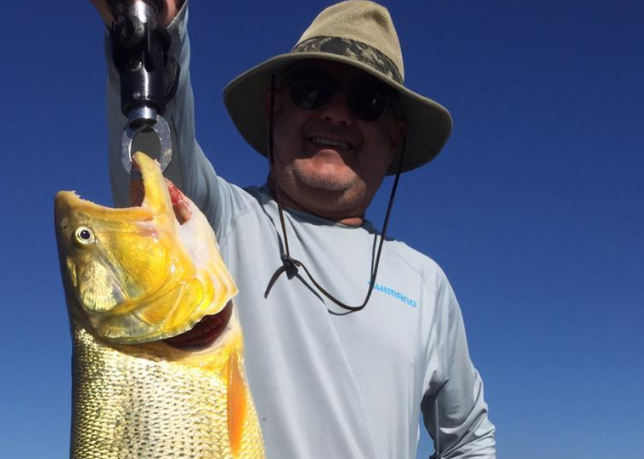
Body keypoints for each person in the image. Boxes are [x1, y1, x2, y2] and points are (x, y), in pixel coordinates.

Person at [91, 0, 496, 457]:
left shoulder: (427, 284)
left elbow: (468, 438)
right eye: (312, 91)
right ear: (274, 106)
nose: (338, 115)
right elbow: (155, 156)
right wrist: (153, 33)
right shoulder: (213, 222)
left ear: (395, 137)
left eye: (368, 102)